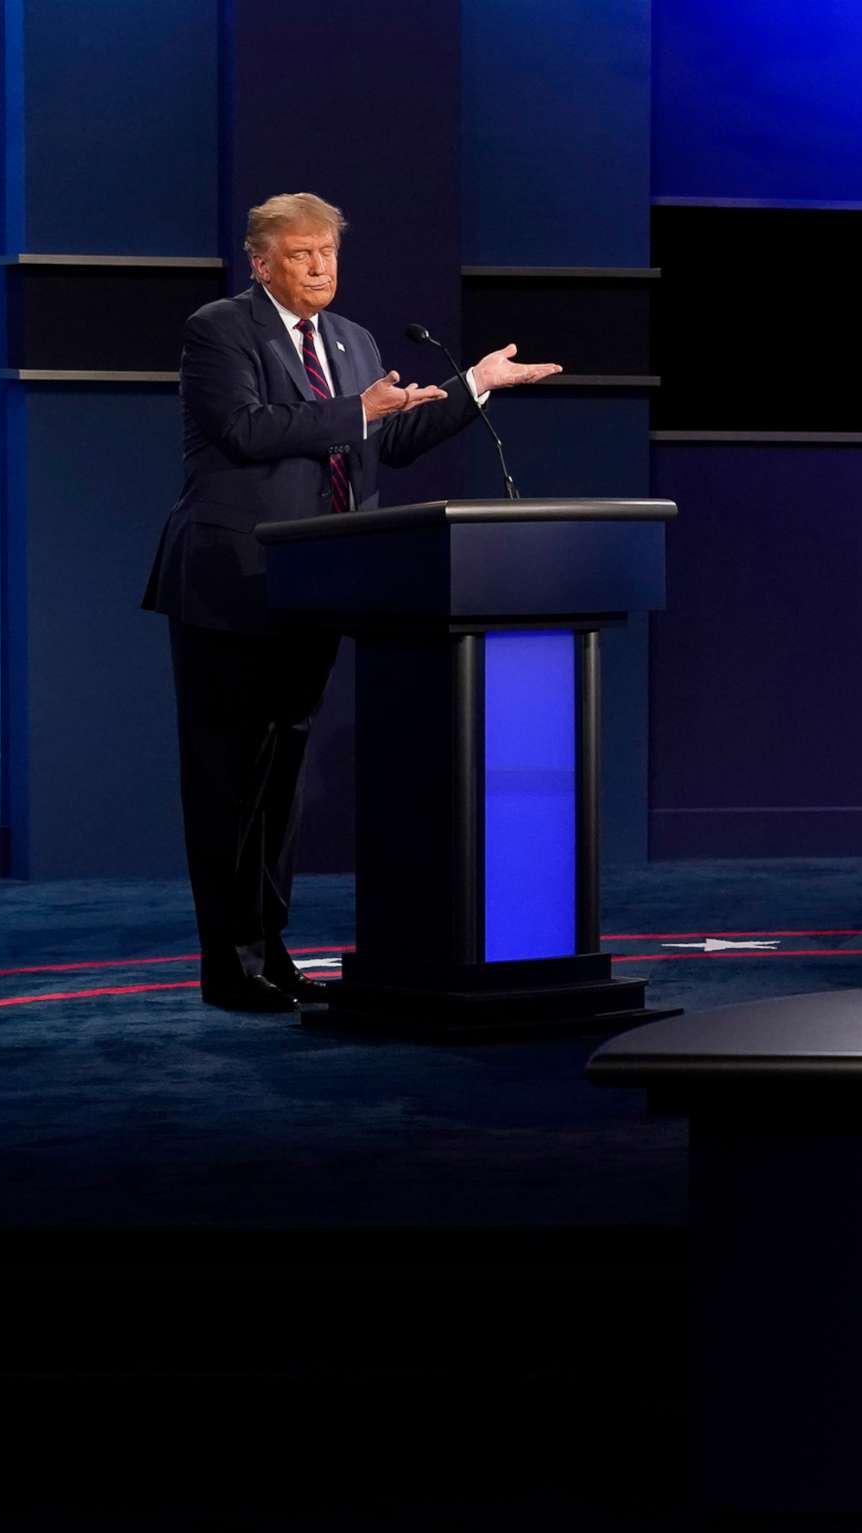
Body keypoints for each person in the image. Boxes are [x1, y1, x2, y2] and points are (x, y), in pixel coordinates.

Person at [142, 193, 562, 1012]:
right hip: (231, 583)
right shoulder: (219, 330)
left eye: (328, 253)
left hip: (318, 584)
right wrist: (358, 410)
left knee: (283, 781)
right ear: (261, 263)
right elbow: (246, 430)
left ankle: (273, 949)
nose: (320, 267)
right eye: (301, 255)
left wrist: (470, 386)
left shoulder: (353, 340)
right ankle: (228, 964)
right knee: (228, 779)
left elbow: (387, 440)